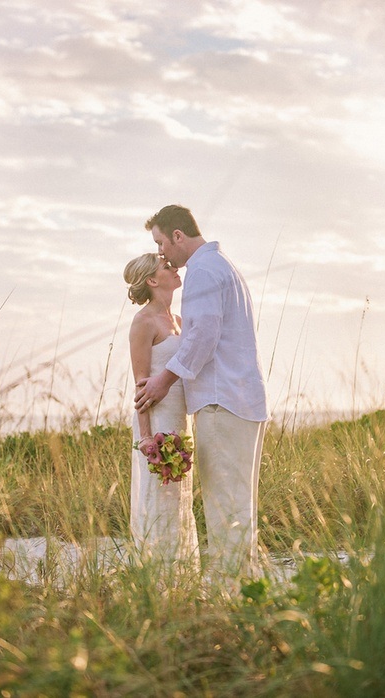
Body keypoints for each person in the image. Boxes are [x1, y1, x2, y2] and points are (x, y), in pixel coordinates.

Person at [135, 205, 270, 578]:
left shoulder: (203, 271)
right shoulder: (222, 266)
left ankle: (233, 597)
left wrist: (165, 379)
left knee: (225, 510)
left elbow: (203, 335)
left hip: (220, 401)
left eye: (162, 243)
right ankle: (247, 592)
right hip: (241, 399)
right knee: (239, 508)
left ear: (178, 236)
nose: (162, 254)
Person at [123, 253, 199, 567]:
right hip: (156, 420)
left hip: (182, 421)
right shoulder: (143, 321)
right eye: (166, 267)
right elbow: (141, 383)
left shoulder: (179, 321)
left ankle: (181, 575)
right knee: (157, 498)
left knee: (179, 500)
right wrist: (145, 438)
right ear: (153, 281)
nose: (175, 268)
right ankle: (154, 575)